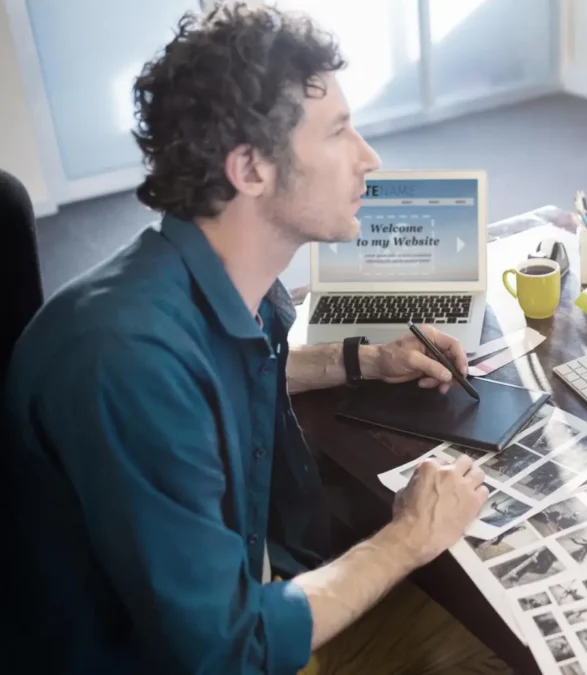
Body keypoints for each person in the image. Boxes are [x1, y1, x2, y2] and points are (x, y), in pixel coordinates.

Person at [2, 3, 502, 674]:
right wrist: (407, 536)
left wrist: (365, 359)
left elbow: (228, 367)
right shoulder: (126, 361)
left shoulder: (213, 282)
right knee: (493, 650)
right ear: (251, 169)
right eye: (338, 132)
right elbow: (230, 651)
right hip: (170, 656)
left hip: (249, 586)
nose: (369, 157)